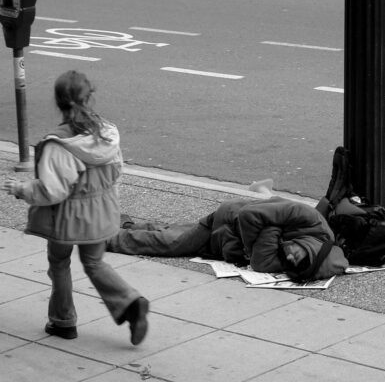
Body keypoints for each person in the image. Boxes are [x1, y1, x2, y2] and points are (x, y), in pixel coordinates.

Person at [2, 70, 149, 345]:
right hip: (102, 211)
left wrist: (22, 190)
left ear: (58, 103)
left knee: (59, 263)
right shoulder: (107, 132)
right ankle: (131, 302)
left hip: (67, 218)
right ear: (90, 97)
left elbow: (51, 191)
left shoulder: (59, 143)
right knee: (94, 262)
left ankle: (63, 321)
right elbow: (117, 171)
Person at [106, 178, 351, 282]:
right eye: (296, 255)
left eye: (292, 264)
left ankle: (125, 224)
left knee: (172, 232)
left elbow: (262, 264)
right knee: (172, 244)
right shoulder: (311, 220)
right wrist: (261, 238)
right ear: (311, 247)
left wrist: (271, 228)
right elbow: (248, 216)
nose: (288, 257)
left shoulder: (298, 259)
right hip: (227, 219)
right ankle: (105, 239)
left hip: (228, 240)